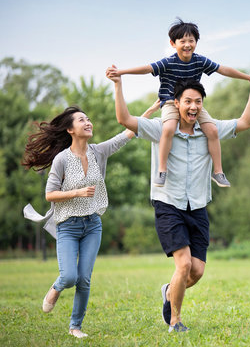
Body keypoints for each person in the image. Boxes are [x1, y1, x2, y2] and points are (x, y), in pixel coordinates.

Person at [106, 69, 250, 333]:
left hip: (198, 206)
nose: (193, 106)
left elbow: (245, 122)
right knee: (184, 263)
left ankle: (169, 291)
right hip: (168, 204)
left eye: (198, 102)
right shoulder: (160, 129)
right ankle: (175, 321)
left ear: (202, 106)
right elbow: (124, 119)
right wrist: (118, 84)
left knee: (197, 271)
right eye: (187, 101)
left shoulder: (209, 131)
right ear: (176, 104)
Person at [22, 102, 159, 338]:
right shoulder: (62, 160)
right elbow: (49, 194)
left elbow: (127, 132)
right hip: (68, 226)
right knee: (69, 277)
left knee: (84, 279)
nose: (88, 123)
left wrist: (150, 111)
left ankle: (75, 326)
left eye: (88, 119)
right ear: (70, 130)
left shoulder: (98, 151)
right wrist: (76, 192)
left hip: (92, 225)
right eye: (82, 120)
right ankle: (55, 289)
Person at [108, 17, 250, 188]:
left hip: (192, 103)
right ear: (173, 43)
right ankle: (162, 169)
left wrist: (248, 78)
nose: (188, 44)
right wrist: (121, 72)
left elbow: (222, 69)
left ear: (196, 42)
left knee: (211, 130)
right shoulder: (168, 62)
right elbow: (147, 68)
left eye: (192, 40)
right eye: (183, 41)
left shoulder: (200, 61)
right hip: (169, 102)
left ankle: (218, 172)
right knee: (168, 128)